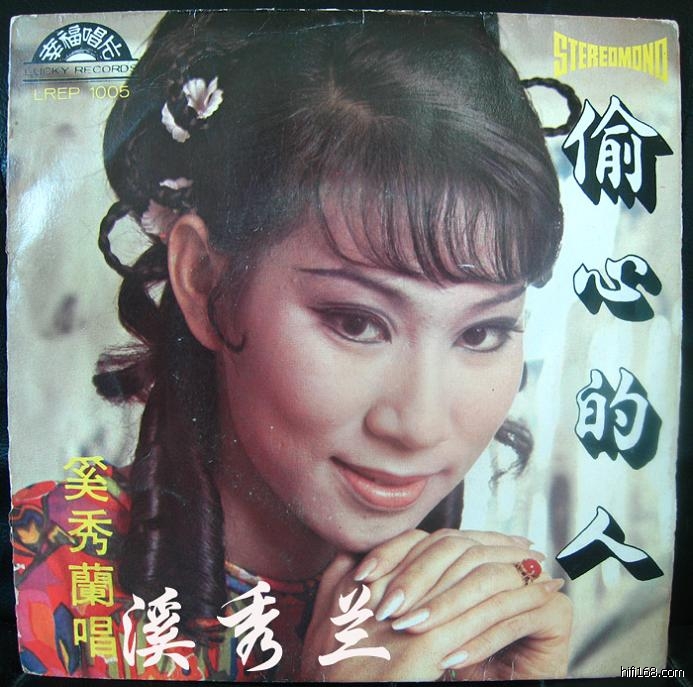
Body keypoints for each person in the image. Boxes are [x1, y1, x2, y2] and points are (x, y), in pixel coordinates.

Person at [11, 10, 573, 681]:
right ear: (204, 280)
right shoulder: (38, 576)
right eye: (355, 322)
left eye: (481, 332)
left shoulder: (495, 629)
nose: (420, 425)